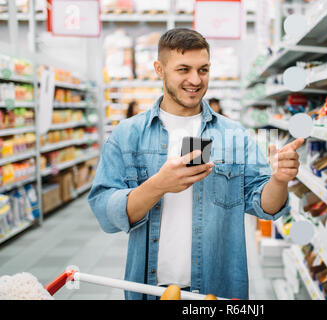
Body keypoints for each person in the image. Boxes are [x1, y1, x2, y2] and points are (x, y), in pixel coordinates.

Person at [88, 28, 303, 300]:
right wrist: (157, 186)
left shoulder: (234, 135)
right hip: (150, 290)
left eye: (203, 69)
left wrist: (280, 180)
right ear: (159, 69)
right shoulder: (128, 135)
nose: (195, 79)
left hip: (216, 290)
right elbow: (105, 213)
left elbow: (266, 207)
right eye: (183, 69)